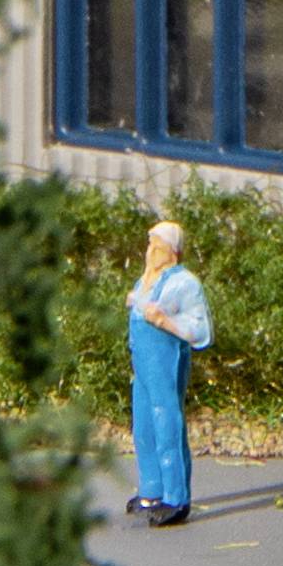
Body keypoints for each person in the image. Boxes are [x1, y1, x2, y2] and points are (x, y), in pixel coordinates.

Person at [123, 211, 212, 527]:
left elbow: (200, 329)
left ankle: (175, 498)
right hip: (143, 365)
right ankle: (151, 490)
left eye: (156, 245)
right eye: (149, 245)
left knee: (167, 425)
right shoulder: (146, 279)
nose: (150, 252)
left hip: (164, 362)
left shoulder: (184, 283)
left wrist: (165, 321)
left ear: (171, 251)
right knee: (143, 427)